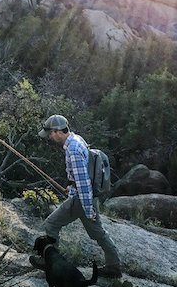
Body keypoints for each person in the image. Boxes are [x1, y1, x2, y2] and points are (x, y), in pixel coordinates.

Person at [30, 114, 122, 278]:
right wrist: (71, 189)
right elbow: (80, 178)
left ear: (58, 131)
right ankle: (114, 266)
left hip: (82, 200)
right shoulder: (77, 139)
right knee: (98, 233)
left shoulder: (72, 150)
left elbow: (84, 183)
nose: (50, 137)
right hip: (83, 197)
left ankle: (50, 263)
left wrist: (88, 210)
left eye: (50, 133)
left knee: (51, 224)